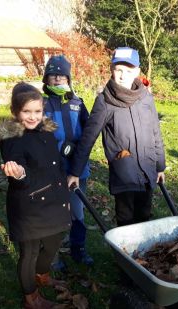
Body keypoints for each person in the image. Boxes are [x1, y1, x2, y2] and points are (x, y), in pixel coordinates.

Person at [0, 82, 71, 308]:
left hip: (54, 199)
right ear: (15, 112)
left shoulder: (46, 131)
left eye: (37, 111)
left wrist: (65, 190)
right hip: (29, 203)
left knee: (54, 241)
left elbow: (55, 165)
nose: (33, 117)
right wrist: (19, 172)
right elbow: (18, 166)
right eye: (26, 112)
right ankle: (31, 298)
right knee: (30, 252)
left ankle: (41, 274)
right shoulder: (12, 138)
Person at [67, 47, 166, 227]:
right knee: (126, 218)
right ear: (112, 70)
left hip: (148, 166)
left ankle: (141, 255)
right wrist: (75, 172)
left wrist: (160, 166)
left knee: (144, 214)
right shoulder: (105, 101)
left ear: (136, 71)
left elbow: (155, 132)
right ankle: (124, 253)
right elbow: (88, 138)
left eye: (128, 71)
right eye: (119, 70)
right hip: (124, 169)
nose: (123, 75)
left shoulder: (145, 98)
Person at [42, 55, 94, 269]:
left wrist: (76, 152)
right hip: (51, 170)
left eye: (62, 76)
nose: (57, 80)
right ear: (46, 79)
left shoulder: (77, 103)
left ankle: (78, 248)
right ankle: (51, 254)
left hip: (76, 168)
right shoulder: (41, 104)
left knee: (77, 212)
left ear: (68, 78)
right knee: (52, 212)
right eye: (53, 76)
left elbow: (88, 133)